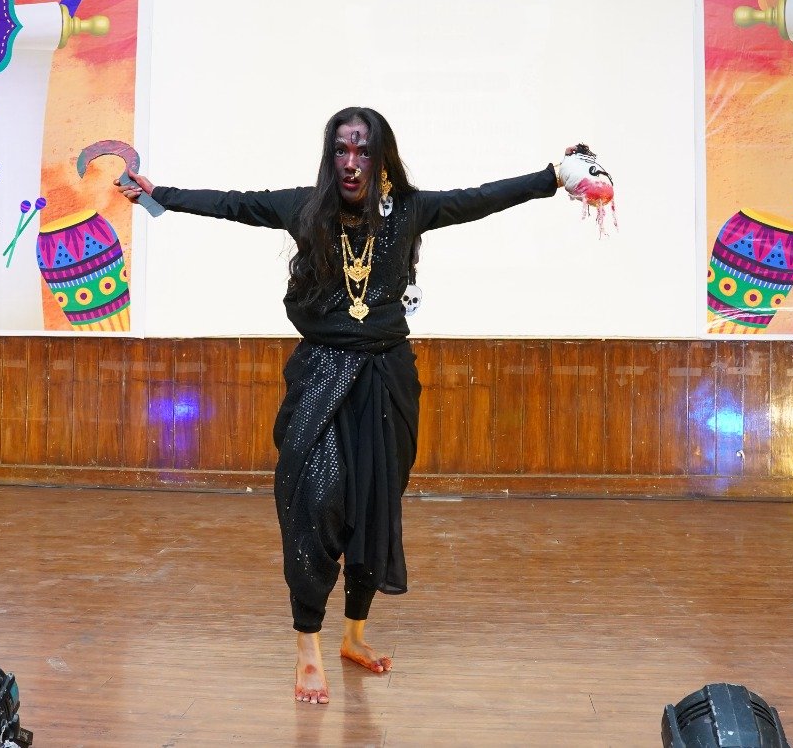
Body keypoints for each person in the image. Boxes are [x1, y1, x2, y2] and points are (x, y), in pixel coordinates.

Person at [117, 107, 569, 704]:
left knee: (374, 508)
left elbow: (482, 198)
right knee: (317, 500)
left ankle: (354, 635)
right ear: (330, 157)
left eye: (363, 150)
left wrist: (553, 177)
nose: (351, 162)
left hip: (387, 379)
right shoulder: (306, 208)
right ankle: (307, 643)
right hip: (323, 373)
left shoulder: (409, 211)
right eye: (341, 150)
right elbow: (233, 204)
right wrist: (161, 195)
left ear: (382, 158)